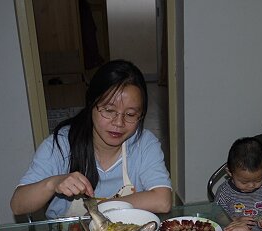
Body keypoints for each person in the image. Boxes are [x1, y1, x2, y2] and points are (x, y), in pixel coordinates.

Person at [11, 59, 172, 219]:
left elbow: (163, 200)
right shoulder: (62, 144)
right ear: (91, 104)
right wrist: (52, 183)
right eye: (109, 110)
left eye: (130, 114)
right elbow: (18, 204)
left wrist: (102, 208)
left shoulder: (143, 143)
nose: (118, 123)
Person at [215, 137, 262, 231]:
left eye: (258, 179)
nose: (251, 185)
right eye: (244, 182)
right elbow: (218, 214)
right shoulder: (224, 191)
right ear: (230, 172)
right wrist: (234, 221)